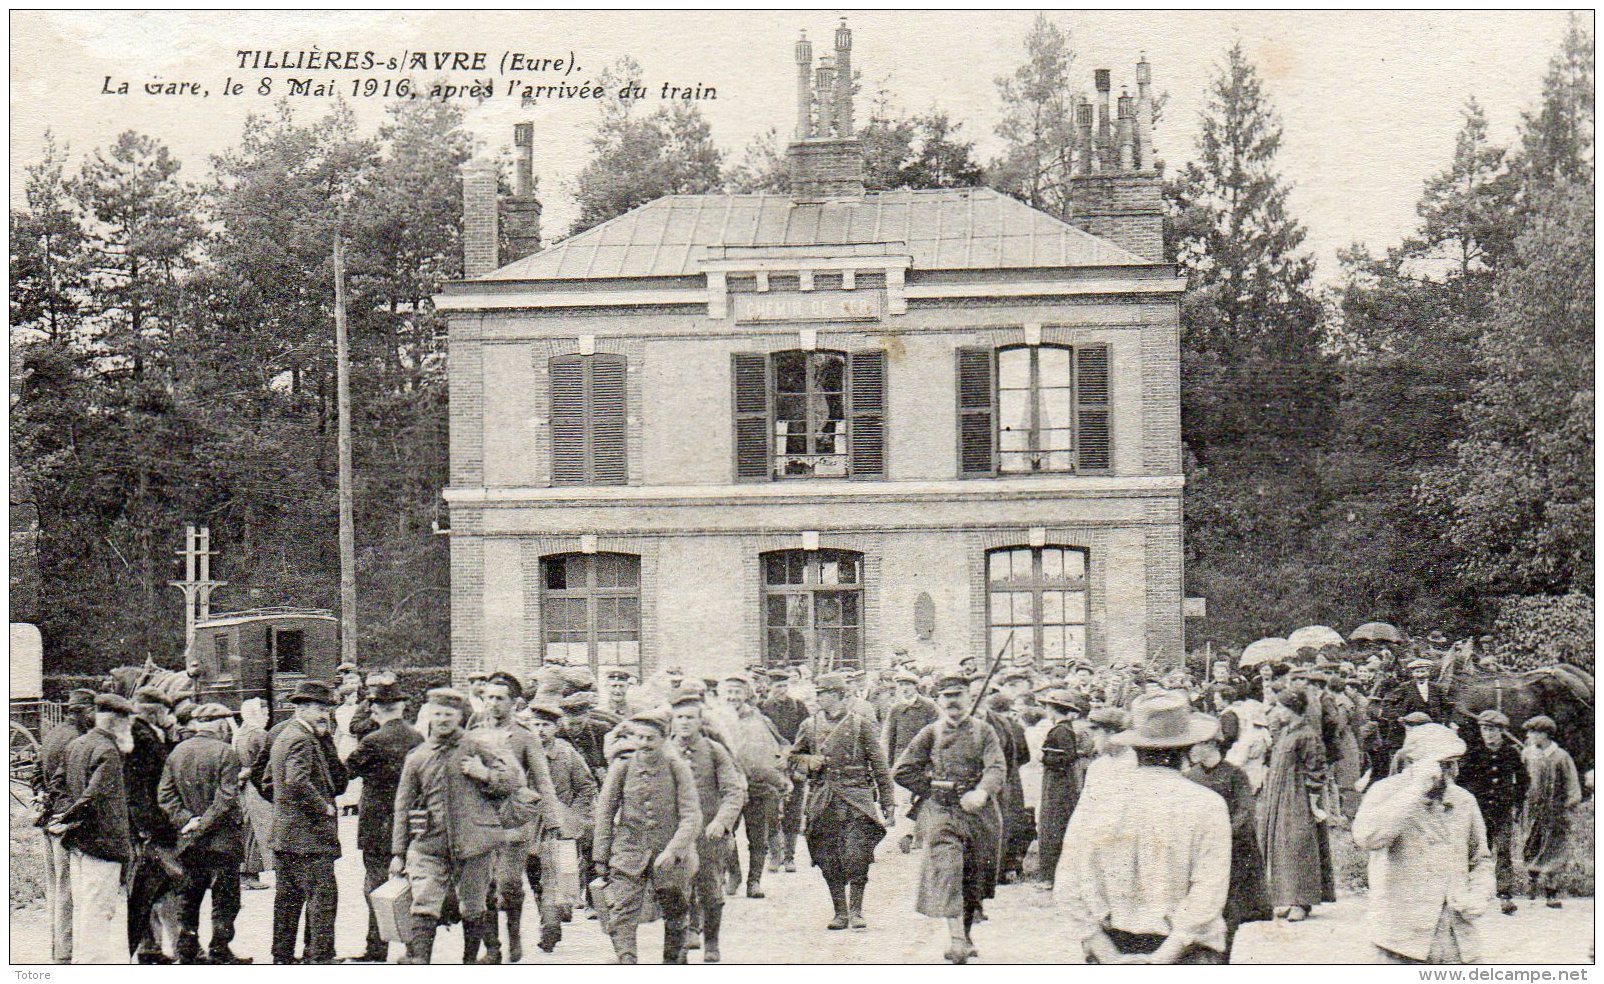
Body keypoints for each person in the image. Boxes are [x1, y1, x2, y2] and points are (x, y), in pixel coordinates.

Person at [1056, 692, 1230, 965]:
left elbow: (1068, 884)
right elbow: (1208, 891)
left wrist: (1108, 955)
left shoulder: (1100, 800)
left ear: (1135, 746)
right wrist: (1160, 960)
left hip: (1113, 943)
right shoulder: (1207, 804)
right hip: (1184, 951)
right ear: (1189, 748)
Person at [392, 688, 521, 965]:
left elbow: (512, 780)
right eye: (437, 713)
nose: (442, 719)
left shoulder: (477, 747)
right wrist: (398, 852)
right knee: (424, 901)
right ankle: (420, 962)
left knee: (473, 906)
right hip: (430, 843)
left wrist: (484, 773)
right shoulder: (417, 756)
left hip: (475, 841)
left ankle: (469, 961)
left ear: (461, 716)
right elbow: (402, 806)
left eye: (448, 714)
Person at [1352, 724, 1494, 963]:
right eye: (1445, 764)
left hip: (1456, 937)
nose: (1455, 772)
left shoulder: (1463, 801)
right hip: (1399, 938)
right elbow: (1367, 837)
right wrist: (1416, 791)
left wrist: (1479, 894)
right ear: (1416, 763)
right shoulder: (1385, 791)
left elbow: (1481, 860)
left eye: (1455, 763)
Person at [891, 673, 1005, 963]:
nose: (953, 702)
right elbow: (902, 770)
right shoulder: (931, 733)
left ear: (968, 698)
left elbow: (996, 767)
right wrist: (933, 788)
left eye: (959, 696)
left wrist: (982, 792)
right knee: (948, 871)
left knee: (973, 876)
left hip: (979, 815)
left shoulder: (984, 731)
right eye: (947, 697)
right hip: (943, 814)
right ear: (939, 701)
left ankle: (965, 934)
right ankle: (956, 941)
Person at [788, 673, 896, 930]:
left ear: (838, 695)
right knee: (827, 855)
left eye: (823, 693)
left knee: (858, 852)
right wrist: (808, 761)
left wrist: (888, 803)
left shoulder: (861, 724)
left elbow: (880, 765)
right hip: (823, 797)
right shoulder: (809, 726)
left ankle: (857, 910)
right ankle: (840, 912)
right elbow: (790, 757)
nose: (818, 698)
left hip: (855, 796)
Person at [593, 709, 702, 964]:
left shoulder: (677, 768)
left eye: (650, 738)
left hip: (670, 853)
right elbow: (605, 813)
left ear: (664, 739)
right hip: (628, 850)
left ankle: (672, 963)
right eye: (639, 738)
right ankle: (627, 960)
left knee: (676, 911)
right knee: (621, 911)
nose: (644, 744)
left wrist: (673, 850)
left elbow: (691, 816)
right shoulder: (622, 768)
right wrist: (600, 855)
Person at [472, 671, 559, 964]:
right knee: (483, 885)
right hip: (479, 819)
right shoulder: (473, 731)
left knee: (508, 883)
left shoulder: (524, 737)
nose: (493, 704)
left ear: (514, 703)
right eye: (488, 698)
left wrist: (553, 820)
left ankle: (514, 935)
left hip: (514, 820)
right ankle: (493, 947)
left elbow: (543, 779)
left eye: (500, 698)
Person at [158, 702, 250, 964]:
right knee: (226, 898)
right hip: (222, 841)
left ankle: (188, 950)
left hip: (188, 841)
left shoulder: (177, 753)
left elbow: (165, 795)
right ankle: (220, 949)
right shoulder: (225, 753)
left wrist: (188, 821)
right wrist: (204, 823)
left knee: (189, 896)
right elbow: (226, 798)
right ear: (221, 725)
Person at [267, 680, 347, 965]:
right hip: (309, 839)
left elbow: (268, 782)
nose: (325, 713)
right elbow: (296, 781)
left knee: (287, 901)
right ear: (301, 707)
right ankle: (320, 958)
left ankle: (282, 957)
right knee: (322, 900)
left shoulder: (286, 735)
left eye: (327, 708)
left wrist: (285, 811)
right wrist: (323, 807)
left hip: (287, 836)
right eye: (319, 707)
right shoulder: (302, 738)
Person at [342, 680, 422, 962]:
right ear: (402, 707)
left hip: (377, 823)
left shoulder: (372, 742)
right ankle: (416, 948)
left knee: (375, 885)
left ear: (376, 709)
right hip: (412, 822)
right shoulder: (418, 738)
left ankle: (376, 949)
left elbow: (345, 774)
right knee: (414, 884)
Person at [55, 693, 136, 964]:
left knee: (83, 910)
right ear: (117, 721)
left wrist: (66, 817)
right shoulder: (109, 752)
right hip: (103, 843)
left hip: (79, 842)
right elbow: (95, 796)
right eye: (127, 721)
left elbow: (58, 786)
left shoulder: (77, 744)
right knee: (99, 913)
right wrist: (70, 816)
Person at [668, 690, 747, 963]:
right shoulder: (664, 751)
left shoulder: (715, 751)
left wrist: (722, 822)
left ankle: (711, 942)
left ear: (701, 721)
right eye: (679, 717)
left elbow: (733, 792)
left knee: (711, 890)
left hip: (708, 835)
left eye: (690, 717)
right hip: (676, 835)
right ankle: (685, 934)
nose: (684, 723)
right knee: (676, 889)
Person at [1186, 724, 1269, 955]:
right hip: (1200, 851)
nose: (1192, 750)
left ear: (1211, 744)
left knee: (1229, 912)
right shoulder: (1191, 776)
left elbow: (1245, 811)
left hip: (1234, 852)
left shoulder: (1235, 775)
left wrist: (1223, 835)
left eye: (1198, 744)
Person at [523, 702, 597, 954]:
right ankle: (553, 913)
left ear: (556, 728)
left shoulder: (566, 754)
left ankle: (550, 926)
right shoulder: (521, 753)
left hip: (558, 826)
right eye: (536, 725)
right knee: (535, 876)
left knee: (554, 875)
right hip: (527, 824)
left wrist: (573, 817)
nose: (541, 730)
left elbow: (586, 787)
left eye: (546, 725)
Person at [710, 671, 791, 898]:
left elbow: (783, 744)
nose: (733, 697)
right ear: (721, 695)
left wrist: (783, 756)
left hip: (758, 785)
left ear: (746, 694)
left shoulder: (759, 719)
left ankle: (754, 881)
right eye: (729, 692)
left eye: (738, 692)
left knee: (758, 836)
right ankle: (733, 872)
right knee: (725, 834)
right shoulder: (713, 720)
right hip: (728, 789)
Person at [1257, 689, 1329, 922]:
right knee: (1280, 845)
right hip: (1279, 796)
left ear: (1291, 709)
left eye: (1280, 707)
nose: (1276, 712)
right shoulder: (1286, 732)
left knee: (1299, 845)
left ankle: (1302, 901)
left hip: (1297, 797)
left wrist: (1314, 803)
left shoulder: (1307, 735)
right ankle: (1286, 897)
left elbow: (1316, 770)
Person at [35, 688, 95, 963]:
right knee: (67, 889)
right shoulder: (79, 740)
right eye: (92, 711)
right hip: (63, 822)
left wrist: (42, 797)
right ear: (84, 712)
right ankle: (65, 953)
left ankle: (56, 948)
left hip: (47, 819)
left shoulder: (52, 735)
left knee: (55, 888)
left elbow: (37, 773)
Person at [125, 686, 181, 963]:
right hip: (150, 826)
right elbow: (141, 789)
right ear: (155, 710)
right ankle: (176, 947)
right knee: (167, 883)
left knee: (147, 886)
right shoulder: (142, 737)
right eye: (165, 711)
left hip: (142, 825)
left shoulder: (139, 733)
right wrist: (152, 827)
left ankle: (150, 948)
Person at [1458, 709, 1528, 915]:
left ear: (1502, 732)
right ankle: (1475, 893)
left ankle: (1505, 895)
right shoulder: (1474, 752)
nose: (1488, 734)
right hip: (1479, 812)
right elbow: (1461, 781)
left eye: (1493, 730)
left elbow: (1523, 780)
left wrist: (1517, 801)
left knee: (1504, 850)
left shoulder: (1511, 753)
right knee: (1479, 852)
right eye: (1484, 730)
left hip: (1502, 811)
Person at [1519, 715, 1582, 908]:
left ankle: (1551, 892)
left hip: (1555, 813)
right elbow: (1522, 782)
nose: (1529, 736)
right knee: (1531, 845)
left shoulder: (1561, 756)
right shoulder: (1527, 754)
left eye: (1533, 732)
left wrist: (1569, 804)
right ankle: (1531, 884)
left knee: (1553, 849)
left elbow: (1572, 785)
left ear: (1544, 734)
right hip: (1532, 811)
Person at [1035, 689, 1089, 888]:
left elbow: (1066, 757)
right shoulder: (1063, 729)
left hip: (1058, 783)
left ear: (1054, 709)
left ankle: (1050, 876)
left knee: (1052, 825)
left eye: (1048, 707)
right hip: (1057, 781)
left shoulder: (1061, 731)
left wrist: (1044, 758)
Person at [882, 670, 939, 853]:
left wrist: (933, 762)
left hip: (923, 760)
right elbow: (889, 738)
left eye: (908, 685)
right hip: (902, 761)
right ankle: (905, 836)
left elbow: (938, 734)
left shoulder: (929, 707)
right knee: (904, 800)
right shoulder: (896, 709)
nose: (904, 689)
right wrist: (889, 765)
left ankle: (915, 835)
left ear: (916, 686)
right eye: (901, 685)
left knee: (922, 798)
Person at [758, 670, 810, 872]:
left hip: (793, 765)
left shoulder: (799, 707)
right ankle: (774, 854)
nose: (782, 690)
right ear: (768, 686)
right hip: (771, 766)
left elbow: (806, 737)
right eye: (777, 686)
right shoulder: (761, 709)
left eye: (784, 685)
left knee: (793, 811)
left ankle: (789, 856)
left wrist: (795, 759)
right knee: (770, 811)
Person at [233, 697, 274, 890]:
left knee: (248, 827)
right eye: (264, 713)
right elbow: (266, 761)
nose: (267, 717)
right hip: (257, 784)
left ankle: (245, 873)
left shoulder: (241, 733)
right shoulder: (259, 733)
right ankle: (251, 874)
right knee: (260, 828)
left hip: (244, 785)